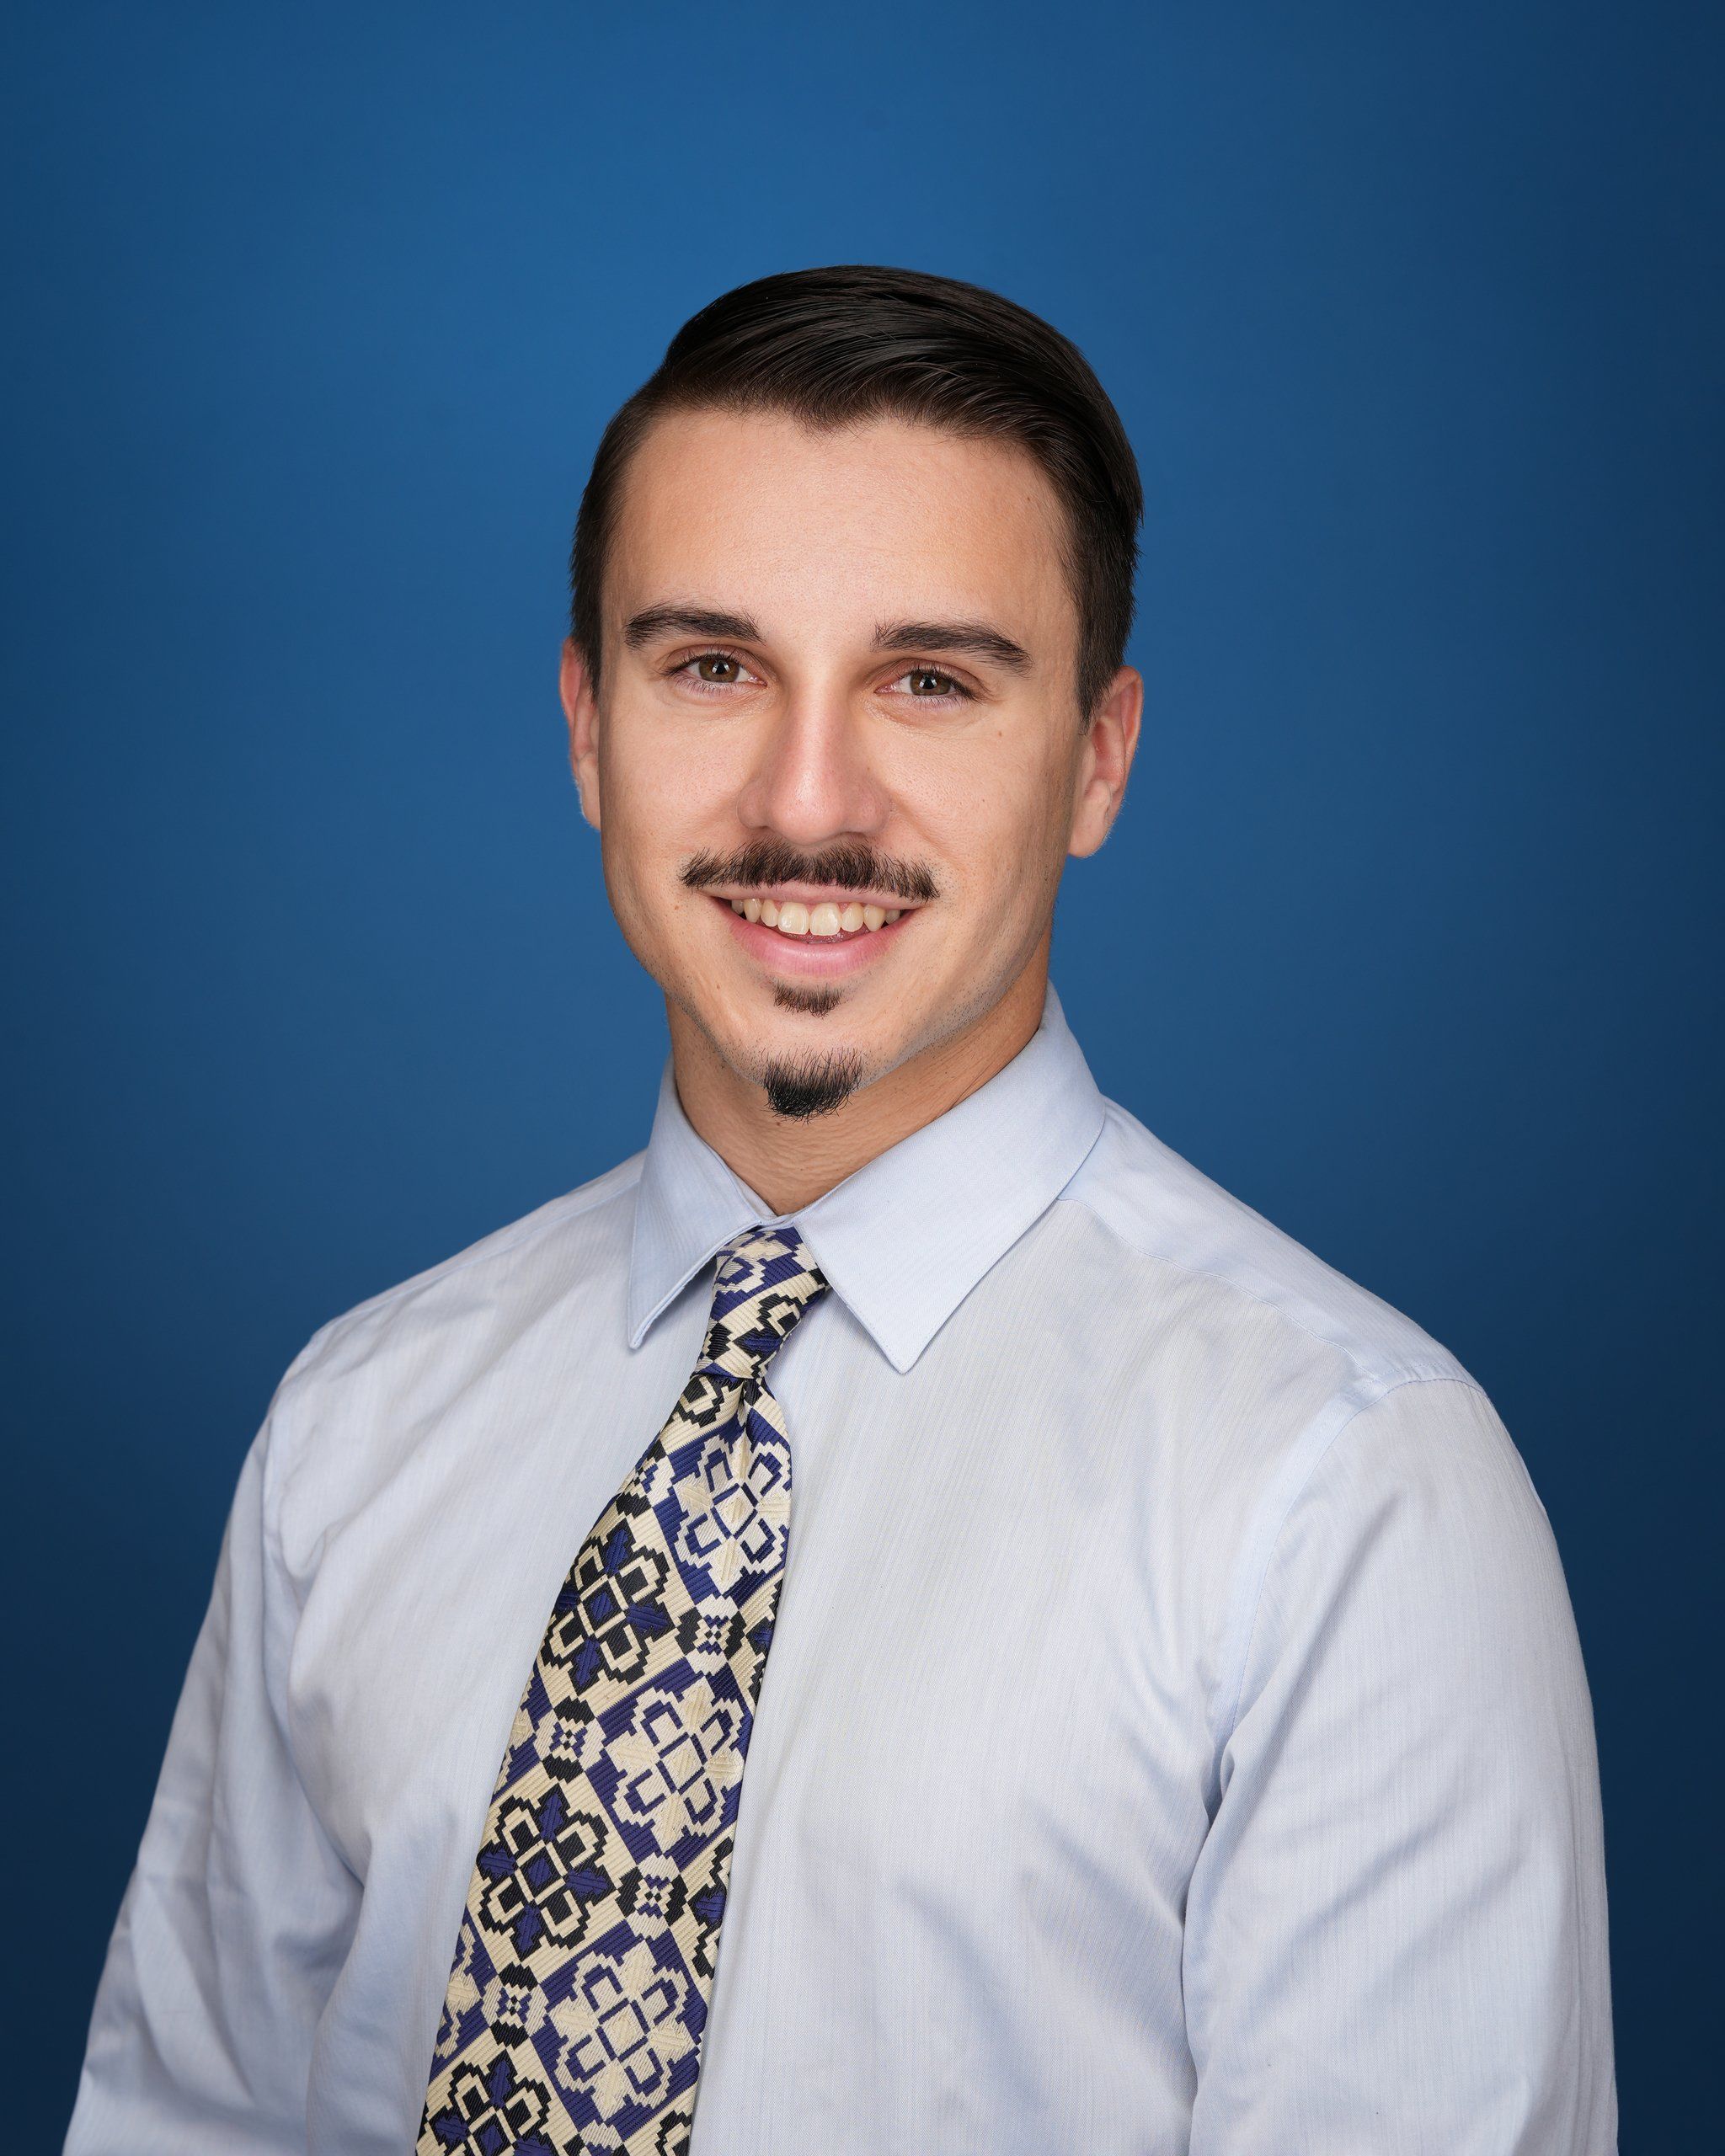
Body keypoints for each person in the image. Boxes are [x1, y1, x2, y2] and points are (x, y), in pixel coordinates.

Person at [67, 264, 1616, 2155]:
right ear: (585, 725)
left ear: (1099, 759)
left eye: (930, 680)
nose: (809, 800)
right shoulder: (355, 1421)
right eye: (711, 666)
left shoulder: (1345, 1489)